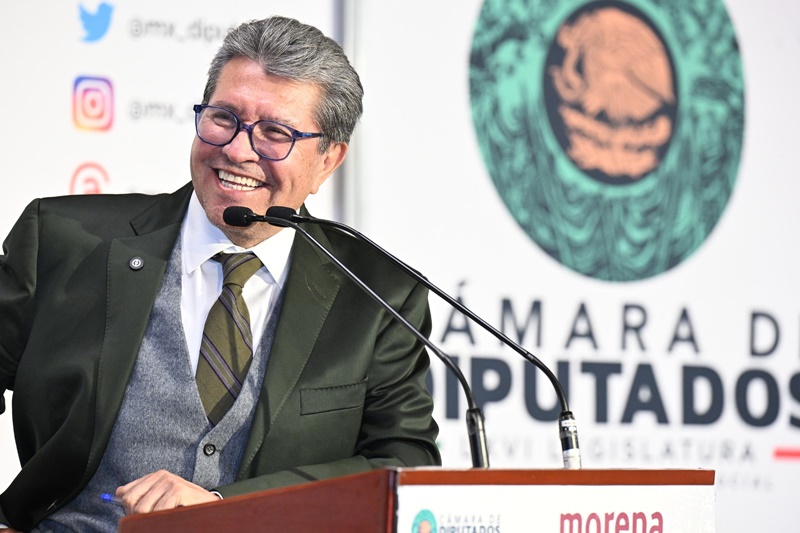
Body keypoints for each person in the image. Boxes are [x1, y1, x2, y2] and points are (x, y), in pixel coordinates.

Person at [0, 16, 440, 531]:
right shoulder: (65, 241)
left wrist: (226, 505)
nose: (236, 150)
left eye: (275, 133)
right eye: (223, 118)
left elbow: (404, 465)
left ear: (328, 160)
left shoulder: (378, 295)